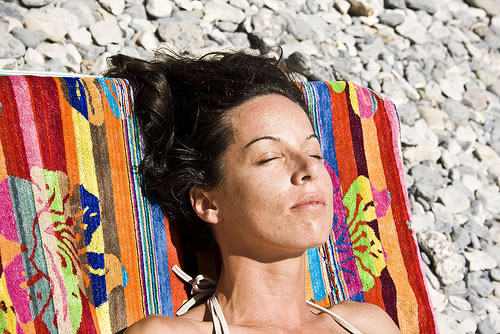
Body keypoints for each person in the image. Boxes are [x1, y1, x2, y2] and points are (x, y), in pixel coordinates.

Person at [105, 49, 401, 334]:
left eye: (314, 153)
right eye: (270, 157)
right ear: (209, 203)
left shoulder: (369, 325)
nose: (309, 170)